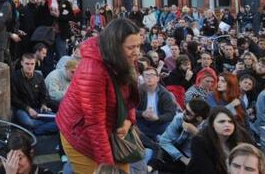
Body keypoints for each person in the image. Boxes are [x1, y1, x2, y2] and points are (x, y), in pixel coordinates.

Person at [56, 18, 141, 173]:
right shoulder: (93, 70)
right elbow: (95, 124)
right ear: (115, 46)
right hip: (81, 133)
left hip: (109, 129)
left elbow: (127, 96)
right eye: (131, 47)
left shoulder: (126, 58)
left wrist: (129, 120)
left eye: (138, 46)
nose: (137, 52)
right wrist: (107, 168)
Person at [186, 107, 254, 174]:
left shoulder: (242, 135)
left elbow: (257, 156)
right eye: (221, 122)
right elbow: (207, 170)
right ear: (212, 124)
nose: (227, 125)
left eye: (230, 122)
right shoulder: (199, 141)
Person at [150, 98, 210, 173]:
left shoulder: (209, 126)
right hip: (177, 154)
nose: (184, 112)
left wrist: (196, 133)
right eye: (185, 108)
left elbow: (212, 148)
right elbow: (164, 141)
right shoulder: (180, 118)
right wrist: (182, 158)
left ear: (199, 118)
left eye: (188, 113)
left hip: (197, 160)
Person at [11, 53, 57, 135]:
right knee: (29, 123)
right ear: (22, 63)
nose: (30, 66)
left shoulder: (39, 76)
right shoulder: (14, 77)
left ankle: (34, 131)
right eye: (27, 64)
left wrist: (43, 104)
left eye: (32, 64)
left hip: (38, 108)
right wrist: (28, 108)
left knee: (59, 120)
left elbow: (43, 94)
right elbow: (13, 99)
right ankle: (44, 127)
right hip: (21, 109)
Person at [136, 66, 178, 141]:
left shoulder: (164, 94)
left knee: (169, 127)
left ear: (157, 78)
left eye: (152, 75)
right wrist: (142, 113)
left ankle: (154, 140)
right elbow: (130, 110)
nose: (149, 78)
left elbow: (171, 114)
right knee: (134, 127)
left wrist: (158, 118)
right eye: (146, 75)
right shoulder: (138, 92)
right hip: (142, 122)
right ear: (143, 78)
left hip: (159, 123)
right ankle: (153, 140)